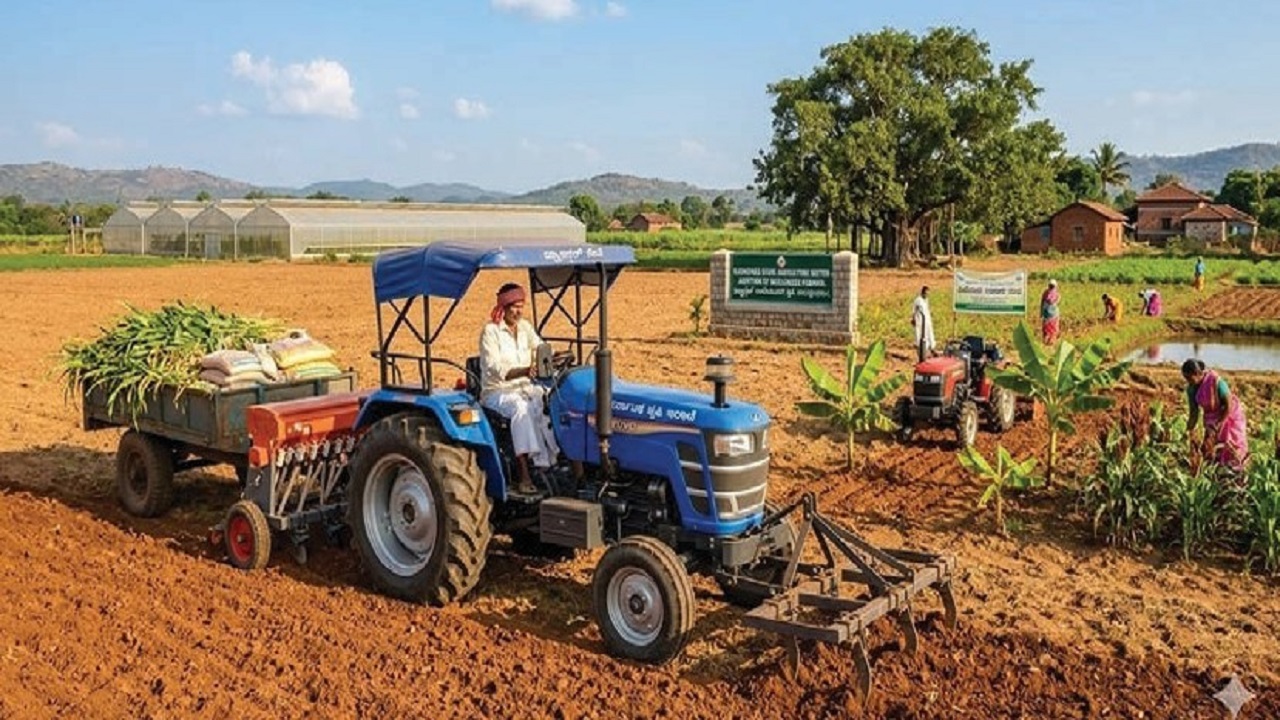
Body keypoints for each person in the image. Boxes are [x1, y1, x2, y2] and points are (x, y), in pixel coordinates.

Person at [479, 282, 561, 495]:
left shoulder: (525, 327)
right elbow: (495, 369)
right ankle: (524, 474)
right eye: (514, 306)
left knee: (550, 400)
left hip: (526, 386)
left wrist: (553, 356)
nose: (518, 311)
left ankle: (554, 460)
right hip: (498, 391)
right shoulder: (491, 332)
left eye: (521, 306)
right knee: (520, 409)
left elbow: (540, 348)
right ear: (504, 307)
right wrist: (525, 370)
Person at [1182, 359, 1248, 471]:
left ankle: (1236, 470)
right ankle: (1218, 472)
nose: (1188, 381)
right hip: (1210, 418)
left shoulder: (1216, 382)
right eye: (1185, 378)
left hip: (1228, 415)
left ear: (1198, 374)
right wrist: (1189, 431)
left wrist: (1219, 424)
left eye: (1189, 378)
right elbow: (1194, 413)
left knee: (1231, 445)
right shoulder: (1191, 389)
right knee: (1211, 447)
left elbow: (1228, 405)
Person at [911, 285, 936, 362]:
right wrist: (913, 319)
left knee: (929, 335)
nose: (927, 295)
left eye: (928, 293)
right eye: (926, 293)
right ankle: (921, 355)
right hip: (920, 322)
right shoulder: (918, 301)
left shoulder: (926, 300)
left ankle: (932, 350)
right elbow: (914, 311)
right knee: (919, 338)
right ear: (922, 292)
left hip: (927, 321)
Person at [1040, 280, 1060, 345]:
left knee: (1047, 327)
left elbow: (1042, 303)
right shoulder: (1056, 294)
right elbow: (1056, 301)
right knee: (1052, 328)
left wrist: (1041, 312)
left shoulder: (1046, 293)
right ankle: (1050, 340)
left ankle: (1048, 340)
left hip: (1048, 313)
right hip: (1052, 314)